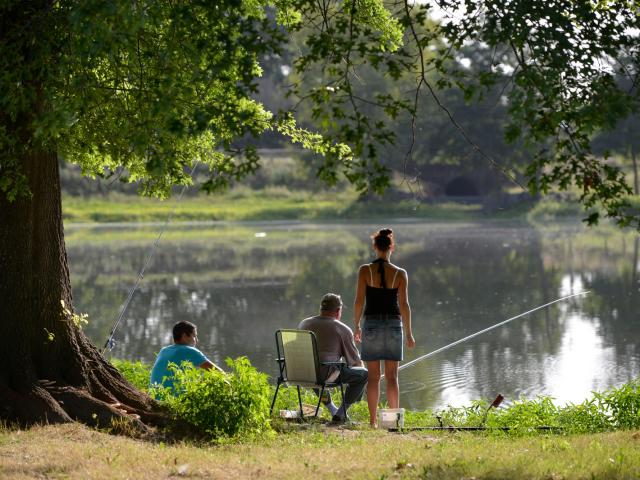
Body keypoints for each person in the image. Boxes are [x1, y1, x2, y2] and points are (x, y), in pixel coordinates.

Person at [353, 228, 415, 427]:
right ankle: (393, 423)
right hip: (393, 326)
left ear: (374, 247)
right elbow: (404, 305)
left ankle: (373, 422)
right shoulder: (400, 273)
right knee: (392, 377)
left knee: (373, 378)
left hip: (371, 324)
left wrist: (356, 326)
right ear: (392, 247)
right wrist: (409, 334)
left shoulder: (365, 270)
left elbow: (358, 302)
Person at [299, 293, 368, 423]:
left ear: (321, 309)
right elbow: (355, 363)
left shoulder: (304, 324)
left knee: (315, 367)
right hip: (324, 375)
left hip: (302, 373)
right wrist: (364, 384)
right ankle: (341, 414)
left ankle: (333, 410)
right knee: (363, 375)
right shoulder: (342, 329)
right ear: (338, 311)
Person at [150, 320, 224, 392]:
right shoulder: (189, 350)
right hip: (173, 402)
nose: (197, 340)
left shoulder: (163, 350)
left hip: (154, 398)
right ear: (185, 336)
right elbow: (219, 373)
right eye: (194, 336)